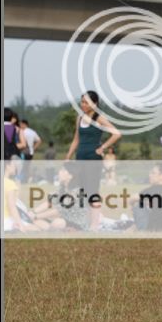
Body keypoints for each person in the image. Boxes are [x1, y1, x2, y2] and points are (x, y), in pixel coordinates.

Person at [65, 91, 122, 231]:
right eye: (82, 101)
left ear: (95, 104)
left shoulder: (99, 118)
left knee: (92, 190)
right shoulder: (79, 118)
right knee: (80, 190)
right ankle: (85, 220)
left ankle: (94, 225)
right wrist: (68, 156)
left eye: (86, 102)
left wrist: (102, 147)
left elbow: (116, 133)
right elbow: (76, 139)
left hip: (93, 158)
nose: (83, 104)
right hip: (80, 157)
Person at [130, 163, 162, 232]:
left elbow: (133, 198)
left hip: (157, 228)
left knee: (137, 204)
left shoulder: (154, 189)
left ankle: (141, 230)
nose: (150, 175)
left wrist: (134, 204)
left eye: (153, 173)